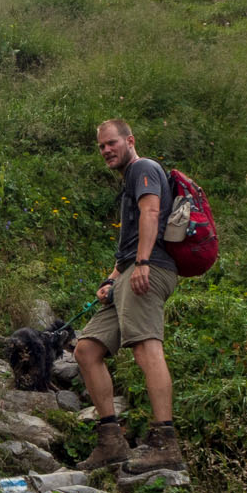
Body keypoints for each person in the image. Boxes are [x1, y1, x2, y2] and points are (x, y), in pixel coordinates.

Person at [74, 119, 185, 474]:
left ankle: (165, 443)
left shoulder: (144, 168)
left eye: (111, 143)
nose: (106, 150)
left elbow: (151, 212)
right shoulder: (129, 181)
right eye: (101, 146)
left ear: (130, 140)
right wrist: (111, 279)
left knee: (145, 346)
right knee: (86, 349)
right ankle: (111, 442)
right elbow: (131, 241)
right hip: (131, 271)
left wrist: (142, 262)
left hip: (150, 271)